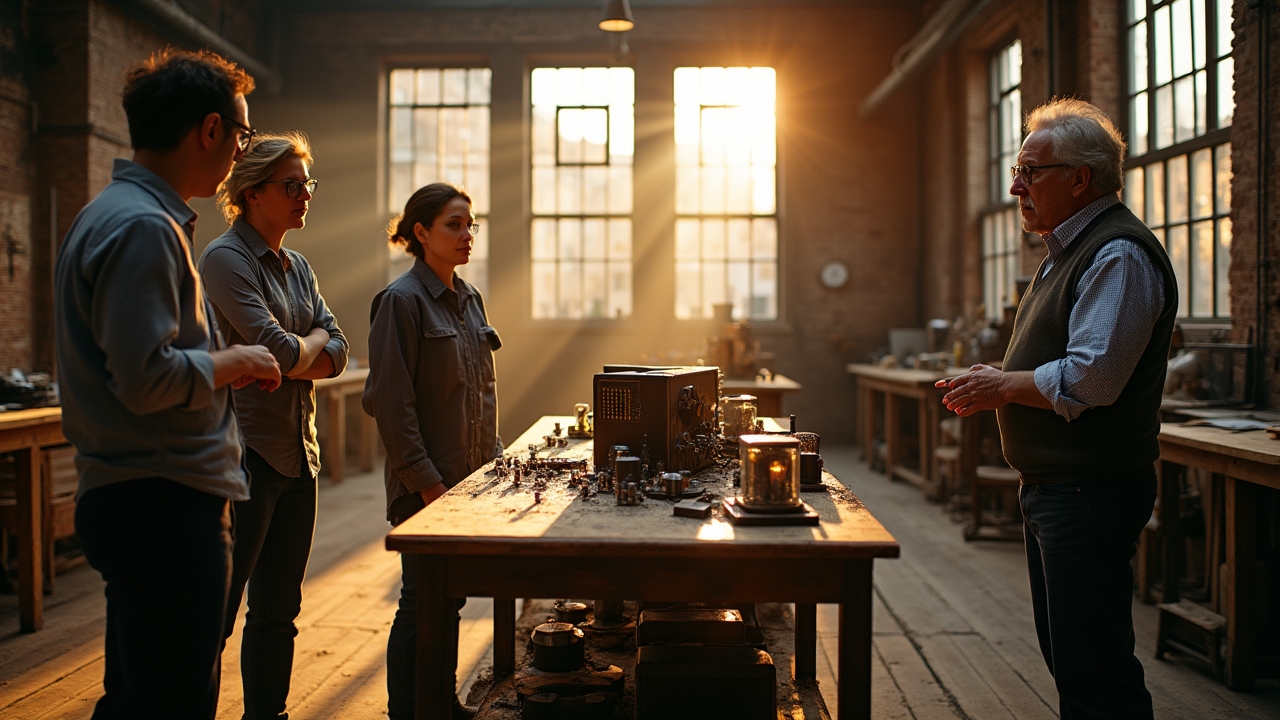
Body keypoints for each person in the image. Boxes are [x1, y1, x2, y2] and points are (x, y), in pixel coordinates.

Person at [53, 48, 281, 719]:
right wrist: (238, 361)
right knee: (173, 702)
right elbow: (146, 379)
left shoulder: (115, 213)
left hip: (141, 496)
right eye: (240, 134)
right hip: (162, 501)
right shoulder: (144, 227)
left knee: (138, 696)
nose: (241, 151)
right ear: (208, 130)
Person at [936, 98, 1175, 719]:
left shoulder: (1116, 253)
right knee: (1072, 660)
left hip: (1088, 491)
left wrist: (1004, 388)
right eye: (1017, 171)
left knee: (1094, 670)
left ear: (1080, 178)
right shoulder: (1065, 251)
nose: (1016, 185)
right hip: (1059, 487)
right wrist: (1004, 377)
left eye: (1030, 171)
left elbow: (1092, 378)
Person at [199, 132, 348, 719]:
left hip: (296, 452)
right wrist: (306, 348)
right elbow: (281, 351)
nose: (304, 196)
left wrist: (303, 349)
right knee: (220, 611)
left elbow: (336, 349)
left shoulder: (298, 265)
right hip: (246, 456)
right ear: (251, 192)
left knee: (279, 611)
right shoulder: (225, 258)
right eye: (291, 186)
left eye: (307, 184)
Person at [362, 183, 502, 720]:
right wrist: (428, 486)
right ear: (420, 233)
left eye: (471, 225)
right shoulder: (400, 302)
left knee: (448, 601)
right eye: (454, 224)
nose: (467, 235)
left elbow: (481, 393)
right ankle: (410, 713)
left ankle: (439, 705)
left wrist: (491, 471)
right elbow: (392, 406)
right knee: (421, 603)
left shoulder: (469, 299)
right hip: (427, 488)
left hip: (466, 484)